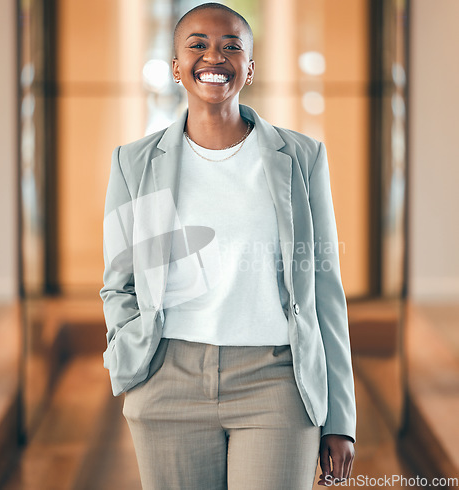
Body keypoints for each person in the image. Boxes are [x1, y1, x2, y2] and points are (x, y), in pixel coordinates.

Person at [100, 3, 356, 489]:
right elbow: (120, 282)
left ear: (249, 67)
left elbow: (325, 288)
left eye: (231, 46)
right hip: (167, 376)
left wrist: (340, 417)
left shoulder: (301, 158)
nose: (213, 56)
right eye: (196, 44)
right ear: (176, 66)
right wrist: (129, 356)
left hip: (277, 382)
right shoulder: (133, 163)